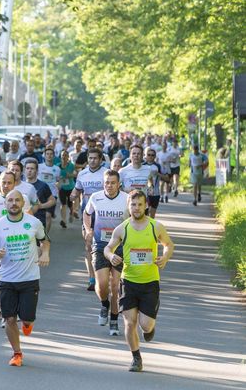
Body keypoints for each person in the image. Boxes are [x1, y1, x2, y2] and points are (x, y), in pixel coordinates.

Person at [104, 190, 174, 372]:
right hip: (128, 282)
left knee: (145, 324)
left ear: (146, 206)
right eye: (133, 205)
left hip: (150, 282)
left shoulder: (155, 227)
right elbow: (108, 248)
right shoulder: (122, 228)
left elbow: (169, 244)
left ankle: (149, 328)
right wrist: (111, 256)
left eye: (140, 204)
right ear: (128, 206)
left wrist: (165, 258)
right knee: (129, 322)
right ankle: (136, 358)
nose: (136, 208)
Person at [0, 189, 50, 367]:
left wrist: (45, 253)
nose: (13, 203)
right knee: (10, 319)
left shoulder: (34, 222)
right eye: (10, 200)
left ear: (23, 203)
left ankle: (28, 323)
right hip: (6, 279)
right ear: (5, 204)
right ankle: (17, 353)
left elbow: (45, 240)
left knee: (27, 319)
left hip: (29, 278)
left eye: (17, 200)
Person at [0, 171, 31, 324]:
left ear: (14, 183)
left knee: (8, 279)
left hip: (14, 244)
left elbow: (28, 221)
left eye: (9, 182)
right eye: (3, 182)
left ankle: (9, 310)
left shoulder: (23, 200)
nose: (6, 185)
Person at [83, 170, 129, 336]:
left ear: (119, 184)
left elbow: (135, 218)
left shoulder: (126, 199)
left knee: (116, 286)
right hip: (101, 245)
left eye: (112, 183)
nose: (109, 186)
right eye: (106, 182)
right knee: (102, 285)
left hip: (120, 246)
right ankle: (104, 304)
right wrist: (88, 230)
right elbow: (87, 214)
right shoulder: (95, 197)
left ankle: (115, 320)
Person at [71, 148, 107, 291]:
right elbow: (77, 189)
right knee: (88, 245)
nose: (92, 161)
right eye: (90, 158)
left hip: (104, 215)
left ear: (100, 159)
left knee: (105, 245)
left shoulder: (106, 173)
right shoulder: (82, 173)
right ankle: (92, 278)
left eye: (95, 158)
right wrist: (73, 196)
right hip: (88, 214)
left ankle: (105, 275)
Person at [25, 159, 56, 233]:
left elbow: (52, 201)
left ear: (36, 171)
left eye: (32, 168)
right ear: (24, 170)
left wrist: (40, 206)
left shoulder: (43, 185)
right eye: (27, 168)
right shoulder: (21, 185)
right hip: (24, 219)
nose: (29, 171)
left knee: (39, 243)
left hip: (39, 219)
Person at [142, 148, 167, 218]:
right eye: (148, 155)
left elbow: (166, 178)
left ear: (155, 156)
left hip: (155, 193)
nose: (150, 156)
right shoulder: (142, 166)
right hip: (145, 193)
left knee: (152, 215)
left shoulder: (158, 166)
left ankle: (151, 228)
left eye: (152, 155)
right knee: (145, 214)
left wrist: (158, 174)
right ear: (145, 155)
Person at [57, 150, 76, 229]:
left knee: (70, 204)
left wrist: (70, 175)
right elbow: (55, 176)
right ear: (60, 156)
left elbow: (75, 174)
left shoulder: (71, 165)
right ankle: (63, 220)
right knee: (63, 204)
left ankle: (72, 213)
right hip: (62, 188)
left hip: (70, 187)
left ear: (68, 157)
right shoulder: (57, 166)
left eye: (65, 155)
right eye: (62, 155)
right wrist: (58, 179)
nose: (64, 157)